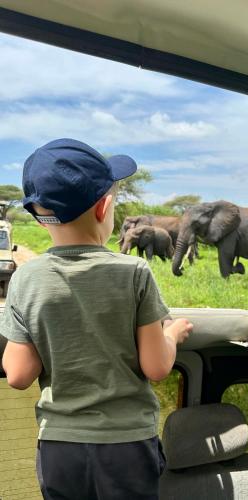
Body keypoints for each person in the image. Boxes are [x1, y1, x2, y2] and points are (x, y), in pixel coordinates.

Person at [0, 138, 193, 500]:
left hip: (60, 448)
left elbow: (19, 374)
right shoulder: (134, 272)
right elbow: (155, 367)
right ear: (105, 208)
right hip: (128, 446)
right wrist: (173, 334)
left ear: (40, 218)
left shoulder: (27, 278)